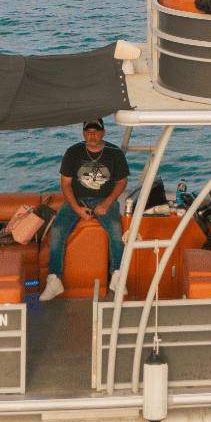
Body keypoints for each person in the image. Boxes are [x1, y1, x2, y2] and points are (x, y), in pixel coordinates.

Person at [41, 120, 129, 301]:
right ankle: (54, 280)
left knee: (115, 230)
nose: (92, 136)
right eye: (88, 132)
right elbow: (65, 184)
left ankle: (117, 277)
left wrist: (107, 203)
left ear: (103, 133)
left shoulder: (115, 153)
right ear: (83, 134)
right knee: (57, 230)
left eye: (96, 132)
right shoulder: (73, 152)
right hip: (76, 200)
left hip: (105, 200)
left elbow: (121, 182)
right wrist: (76, 208)